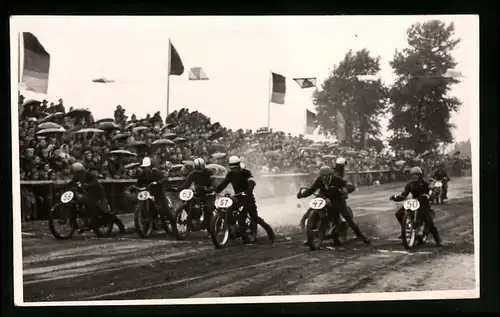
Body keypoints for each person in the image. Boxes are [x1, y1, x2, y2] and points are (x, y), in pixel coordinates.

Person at [297, 165, 371, 245]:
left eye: (326, 176)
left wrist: (345, 189)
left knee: (348, 219)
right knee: (312, 208)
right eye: (322, 176)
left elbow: (349, 185)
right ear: (320, 175)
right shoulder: (319, 180)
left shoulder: (336, 179)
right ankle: (309, 236)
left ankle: (362, 237)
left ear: (330, 175)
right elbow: (312, 189)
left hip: (337, 199)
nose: (324, 178)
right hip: (323, 197)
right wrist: (302, 195)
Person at [214, 155, 275, 243]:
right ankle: (230, 228)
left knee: (254, 217)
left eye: (235, 167)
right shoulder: (230, 174)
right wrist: (216, 191)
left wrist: (249, 190)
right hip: (237, 197)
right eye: (232, 167)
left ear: (239, 165)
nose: (233, 169)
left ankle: (270, 232)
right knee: (227, 209)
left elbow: (252, 181)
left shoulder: (246, 172)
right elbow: (224, 184)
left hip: (248, 198)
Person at [390, 166, 443, 246]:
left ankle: (438, 240)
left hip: (423, 202)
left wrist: (430, 196)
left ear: (420, 175)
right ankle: (406, 230)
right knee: (399, 214)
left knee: (429, 221)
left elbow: (434, 189)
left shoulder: (425, 182)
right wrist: (396, 197)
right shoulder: (410, 184)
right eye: (413, 175)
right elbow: (404, 194)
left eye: (416, 174)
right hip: (413, 202)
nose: (414, 176)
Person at [68, 162, 125, 233]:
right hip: (87, 194)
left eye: (77, 172)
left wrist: (87, 185)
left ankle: (120, 225)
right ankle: (83, 223)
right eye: (75, 172)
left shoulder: (90, 175)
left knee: (105, 211)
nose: (76, 174)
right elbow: (72, 182)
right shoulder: (77, 176)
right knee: (84, 205)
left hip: (98, 194)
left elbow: (94, 181)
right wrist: (66, 187)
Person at [135, 157, 175, 230]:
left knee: (164, 208)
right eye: (144, 167)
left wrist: (158, 182)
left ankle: (174, 226)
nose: (146, 169)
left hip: (158, 193)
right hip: (148, 193)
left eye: (147, 167)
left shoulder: (156, 172)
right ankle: (147, 225)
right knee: (144, 205)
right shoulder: (142, 174)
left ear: (151, 166)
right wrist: (134, 187)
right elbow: (138, 183)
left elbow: (164, 178)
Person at [176, 158, 215, 230]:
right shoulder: (193, 174)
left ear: (203, 166)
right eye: (197, 168)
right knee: (187, 203)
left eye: (200, 168)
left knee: (208, 208)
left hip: (208, 193)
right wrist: (179, 188)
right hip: (198, 193)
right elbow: (186, 184)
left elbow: (214, 182)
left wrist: (211, 188)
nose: (199, 171)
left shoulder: (209, 172)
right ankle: (194, 219)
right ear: (194, 167)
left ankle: (209, 225)